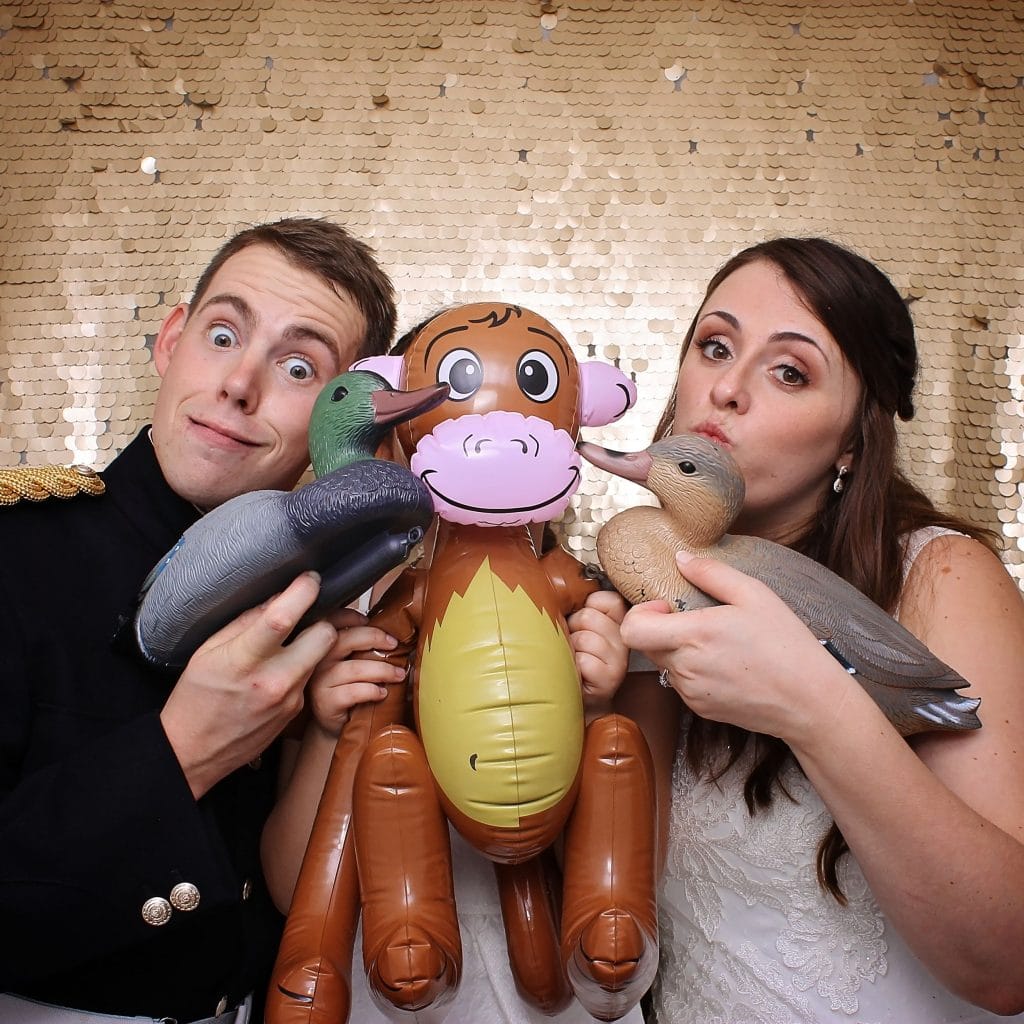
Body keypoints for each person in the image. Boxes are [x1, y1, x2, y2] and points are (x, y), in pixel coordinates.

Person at [610, 237, 1024, 1022]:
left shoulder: (939, 577)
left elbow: (1008, 962)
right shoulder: (641, 597)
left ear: (853, 439)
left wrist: (810, 702)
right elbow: (624, 921)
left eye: (790, 370)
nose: (726, 389)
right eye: (715, 345)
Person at [0, 217, 397, 1023]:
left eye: (297, 365)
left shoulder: (319, 599)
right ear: (172, 340)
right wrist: (180, 752)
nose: (238, 385)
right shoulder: (17, 552)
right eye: (222, 335)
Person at [261, 315, 645, 1024]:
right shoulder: (346, 608)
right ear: (397, 440)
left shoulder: (582, 605)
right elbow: (287, 882)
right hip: (379, 976)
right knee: (382, 762)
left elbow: (655, 855)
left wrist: (587, 703)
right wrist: (325, 730)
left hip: (551, 987)